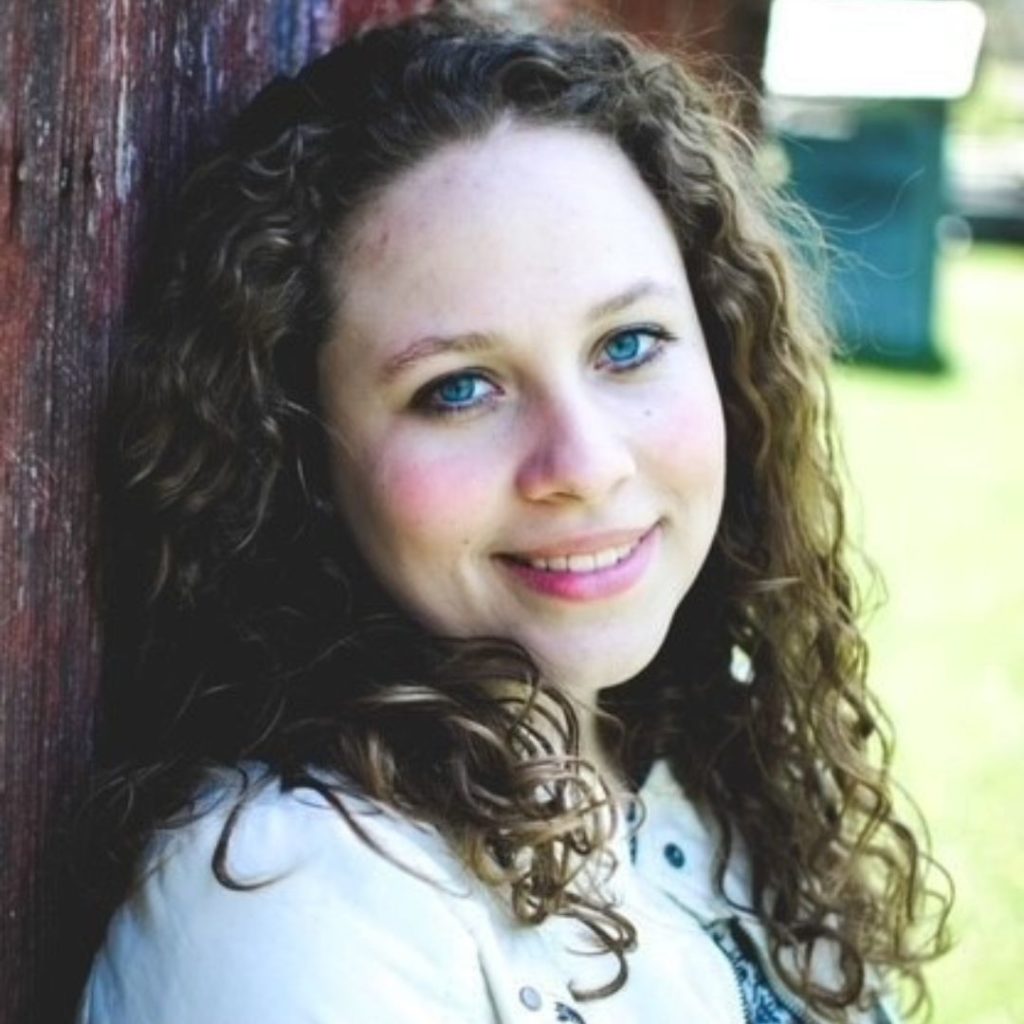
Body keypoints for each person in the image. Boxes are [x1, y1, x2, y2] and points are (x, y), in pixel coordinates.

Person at [75, 3, 951, 1022]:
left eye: (627, 345)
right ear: (301, 450)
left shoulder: (712, 768)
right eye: (458, 388)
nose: (582, 464)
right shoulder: (290, 898)